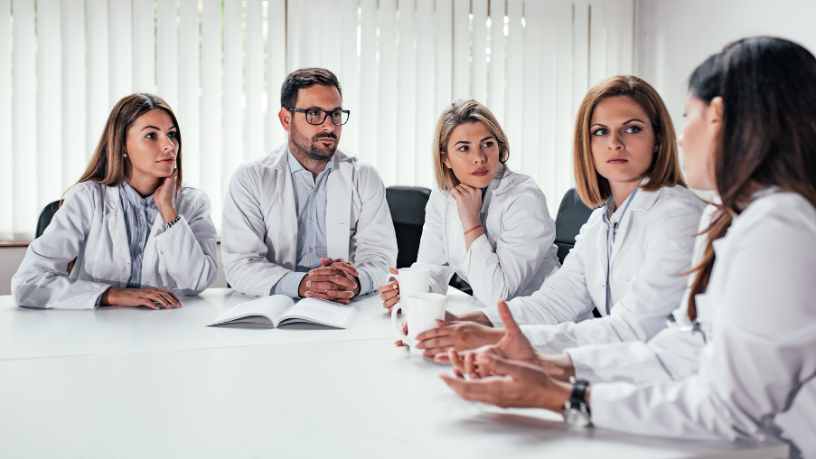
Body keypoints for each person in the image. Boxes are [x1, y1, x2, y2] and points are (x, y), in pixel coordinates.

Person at [440, 37, 816, 459]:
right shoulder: (722, 216)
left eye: (686, 116)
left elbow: (722, 400)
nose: (682, 138)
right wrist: (536, 358)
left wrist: (563, 394)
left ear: (717, 116)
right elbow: (684, 347)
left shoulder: (771, 225)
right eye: (600, 132)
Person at [414, 76, 704, 356]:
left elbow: (634, 330)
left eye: (632, 129)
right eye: (600, 132)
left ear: (658, 139)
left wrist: (497, 338)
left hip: (655, 374)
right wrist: (469, 323)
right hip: (615, 363)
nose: (614, 142)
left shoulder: (677, 215)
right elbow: (552, 303)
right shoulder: (599, 224)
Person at [12, 94, 218, 309]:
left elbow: (197, 283)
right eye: (151, 135)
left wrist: (168, 211)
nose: (169, 145)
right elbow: (28, 284)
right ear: (122, 145)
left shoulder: (193, 202)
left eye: (171, 134)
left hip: (166, 322)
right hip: (95, 324)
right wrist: (114, 294)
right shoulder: (86, 198)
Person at [221, 68, 397, 302]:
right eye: (314, 114)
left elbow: (380, 256)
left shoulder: (363, 175)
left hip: (344, 303)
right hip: (274, 304)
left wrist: (354, 282)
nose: (329, 126)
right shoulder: (250, 177)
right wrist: (303, 284)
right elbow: (241, 263)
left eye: (335, 114)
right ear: (286, 119)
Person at [378, 99, 560, 313]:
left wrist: (471, 221)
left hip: (543, 319)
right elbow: (433, 269)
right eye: (464, 148)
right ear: (445, 158)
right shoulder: (443, 195)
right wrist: (410, 291)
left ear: (499, 147)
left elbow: (498, 295)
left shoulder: (524, 199)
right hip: (489, 316)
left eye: (487, 144)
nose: (479, 158)